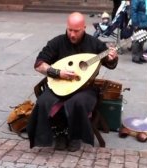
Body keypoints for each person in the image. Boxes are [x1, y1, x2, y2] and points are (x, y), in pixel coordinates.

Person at [27, 12, 118, 152]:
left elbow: (109, 63)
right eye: (70, 30)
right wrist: (58, 73)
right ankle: (59, 133)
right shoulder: (57, 42)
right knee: (44, 101)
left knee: (77, 102)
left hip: (85, 88)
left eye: (76, 31)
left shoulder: (94, 43)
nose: (72, 34)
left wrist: (112, 58)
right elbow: (39, 64)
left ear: (84, 28)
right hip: (59, 84)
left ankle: (74, 136)